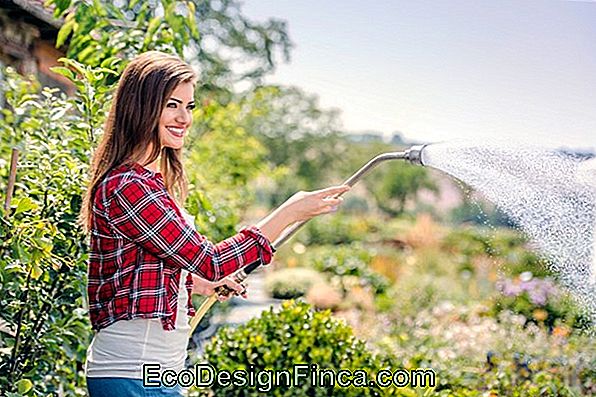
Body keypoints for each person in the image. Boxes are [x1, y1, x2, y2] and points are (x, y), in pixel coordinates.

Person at [78, 51, 349, 396]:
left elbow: (139, 273)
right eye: (172, 105)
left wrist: (198, 284)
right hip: (132, 374)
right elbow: (211, 259)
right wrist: (289, 212)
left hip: (155, 374)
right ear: (141, 107)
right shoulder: (129, 186)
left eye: (189, 107)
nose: (184, 118)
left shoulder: (147, 182)